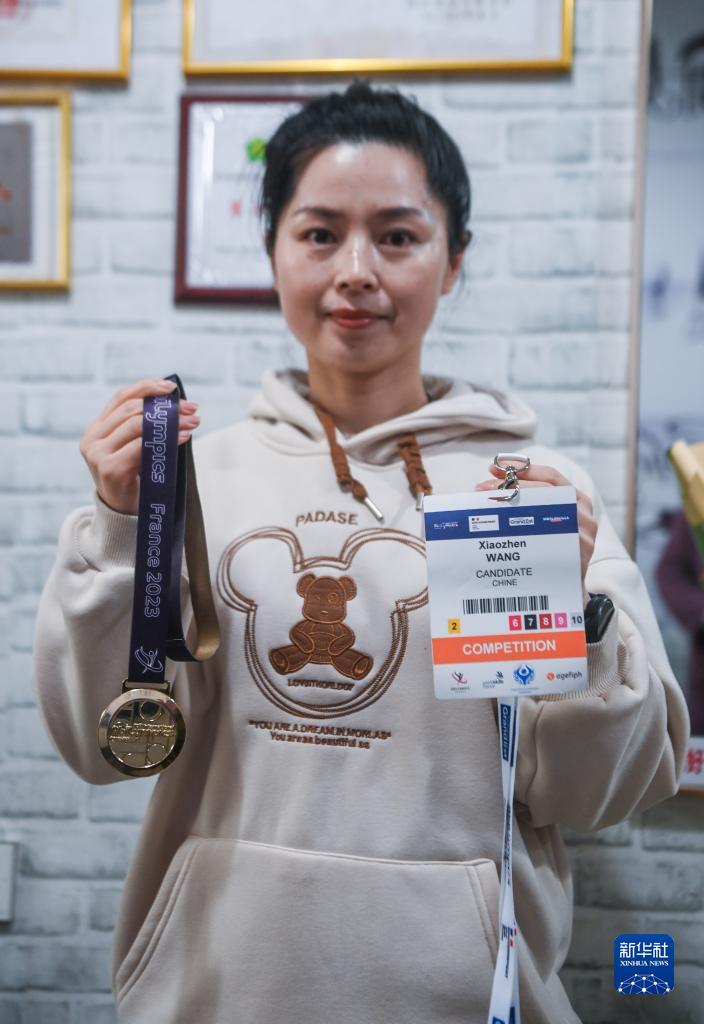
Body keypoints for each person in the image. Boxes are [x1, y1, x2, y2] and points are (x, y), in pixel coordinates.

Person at [33, 82, 689, 1024]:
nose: (355, 271)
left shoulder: (530, 496)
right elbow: (104, 747)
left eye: (397, 236)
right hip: (219, 990)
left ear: (453, 261)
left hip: (460, 996)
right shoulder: (186, 481)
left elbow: (594, 792)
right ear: (271, 250)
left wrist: (577, 612)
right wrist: (115, 525)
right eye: (319, 233)